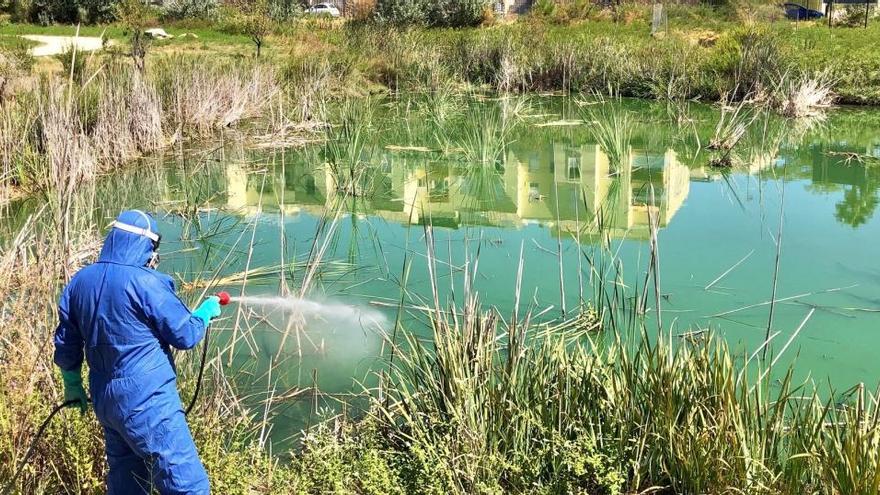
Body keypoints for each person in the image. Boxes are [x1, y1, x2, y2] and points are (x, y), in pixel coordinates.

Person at [53, 210, 222, 495]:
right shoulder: (146, 283)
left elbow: (66, 344)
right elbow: (185, 335)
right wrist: (204, 314)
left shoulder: (80, 282)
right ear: (144, 244)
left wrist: (72, 385)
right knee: (187, 485)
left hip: (106, 401)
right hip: (148, 401)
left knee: (127, 482)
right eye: (153, 248)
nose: (153, 256)